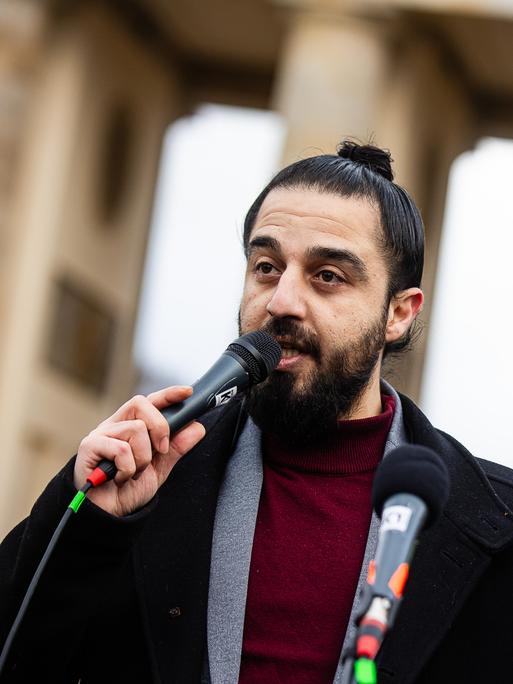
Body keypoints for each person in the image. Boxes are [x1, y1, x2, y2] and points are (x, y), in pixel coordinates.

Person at [1, 141, 513, 684]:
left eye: (328, 276)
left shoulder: (495, 525)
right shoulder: (148, 487)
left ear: (398, 313)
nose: (281, 301)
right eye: (266, 266)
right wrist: (89, 524)